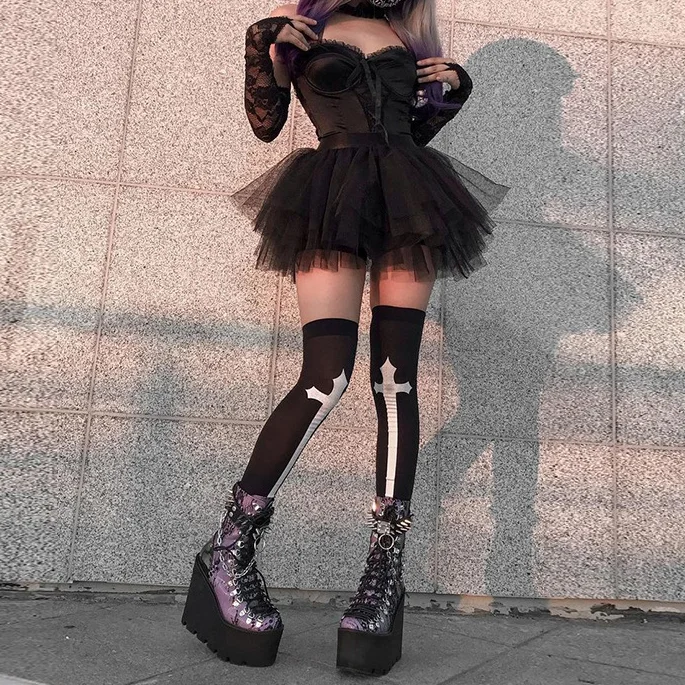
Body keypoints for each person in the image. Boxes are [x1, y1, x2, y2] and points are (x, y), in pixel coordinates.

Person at [181, 0, 510, 676]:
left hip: (409, 199)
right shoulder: (298, 28)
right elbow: (266, 124)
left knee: (396, 380)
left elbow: (411, 135)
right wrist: (265, 47)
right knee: (324, 374)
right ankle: (229, 547)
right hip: (329, 193)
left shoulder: (404, 36)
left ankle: (383, 571)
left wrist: (450, 95)